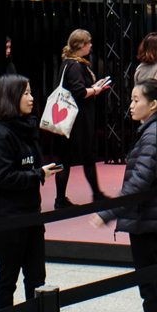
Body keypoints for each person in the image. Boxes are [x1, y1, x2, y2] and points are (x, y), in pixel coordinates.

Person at [0, 74, 81, 312]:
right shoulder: (1, 135)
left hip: (31, 214)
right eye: (25, 93)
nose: (31, 98)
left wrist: (40, 171)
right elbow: (1, 177)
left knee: (37, 278)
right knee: (8, 279)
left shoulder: (28, 129)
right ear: (10, 98)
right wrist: (38, 174)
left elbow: (28, 168)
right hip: (8, 218)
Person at [92, 79, 157, 312]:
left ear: (153, 104)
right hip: (151, 217)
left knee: (150, 287)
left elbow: (139, 182)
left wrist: (108, 213)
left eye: (136, 100)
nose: (130, 105)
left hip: (146, 219)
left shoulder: (151, 134)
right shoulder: (154, 129)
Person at [53, 29, 110, 209]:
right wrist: (95, 90)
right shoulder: (76, 65)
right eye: (88, 42)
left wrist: (93, 87)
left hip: (71, 119)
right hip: (77, 121)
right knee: (80, 158)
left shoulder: (68, 63)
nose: (91, 46)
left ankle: (88, 195)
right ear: (80, 46)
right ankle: (66, 199)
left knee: (71, 159)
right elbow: (78, 92)